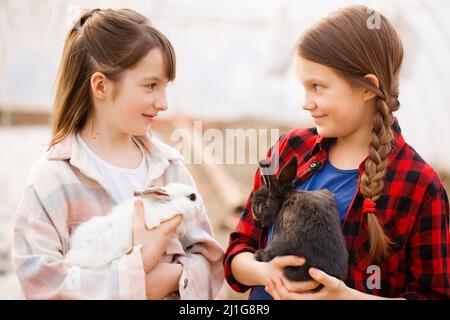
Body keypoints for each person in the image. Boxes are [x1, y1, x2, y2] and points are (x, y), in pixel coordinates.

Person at [224, 5, 450, 300]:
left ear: (368, 87)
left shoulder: (419, 185)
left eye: (318, 87)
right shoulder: (288, 150)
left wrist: (344, 297)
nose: (306, 102)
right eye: (303, 87)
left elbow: (434, 295)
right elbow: (238, 250)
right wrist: (265, 272)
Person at [12, 8, 224, 300]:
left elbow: (208, 258)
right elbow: (40, 280)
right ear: (100, 86)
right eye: (151, 85)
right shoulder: (52, 179)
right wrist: (135, 278)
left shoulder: (169, 167)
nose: (163, 102)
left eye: (165, 87)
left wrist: (174, 278)